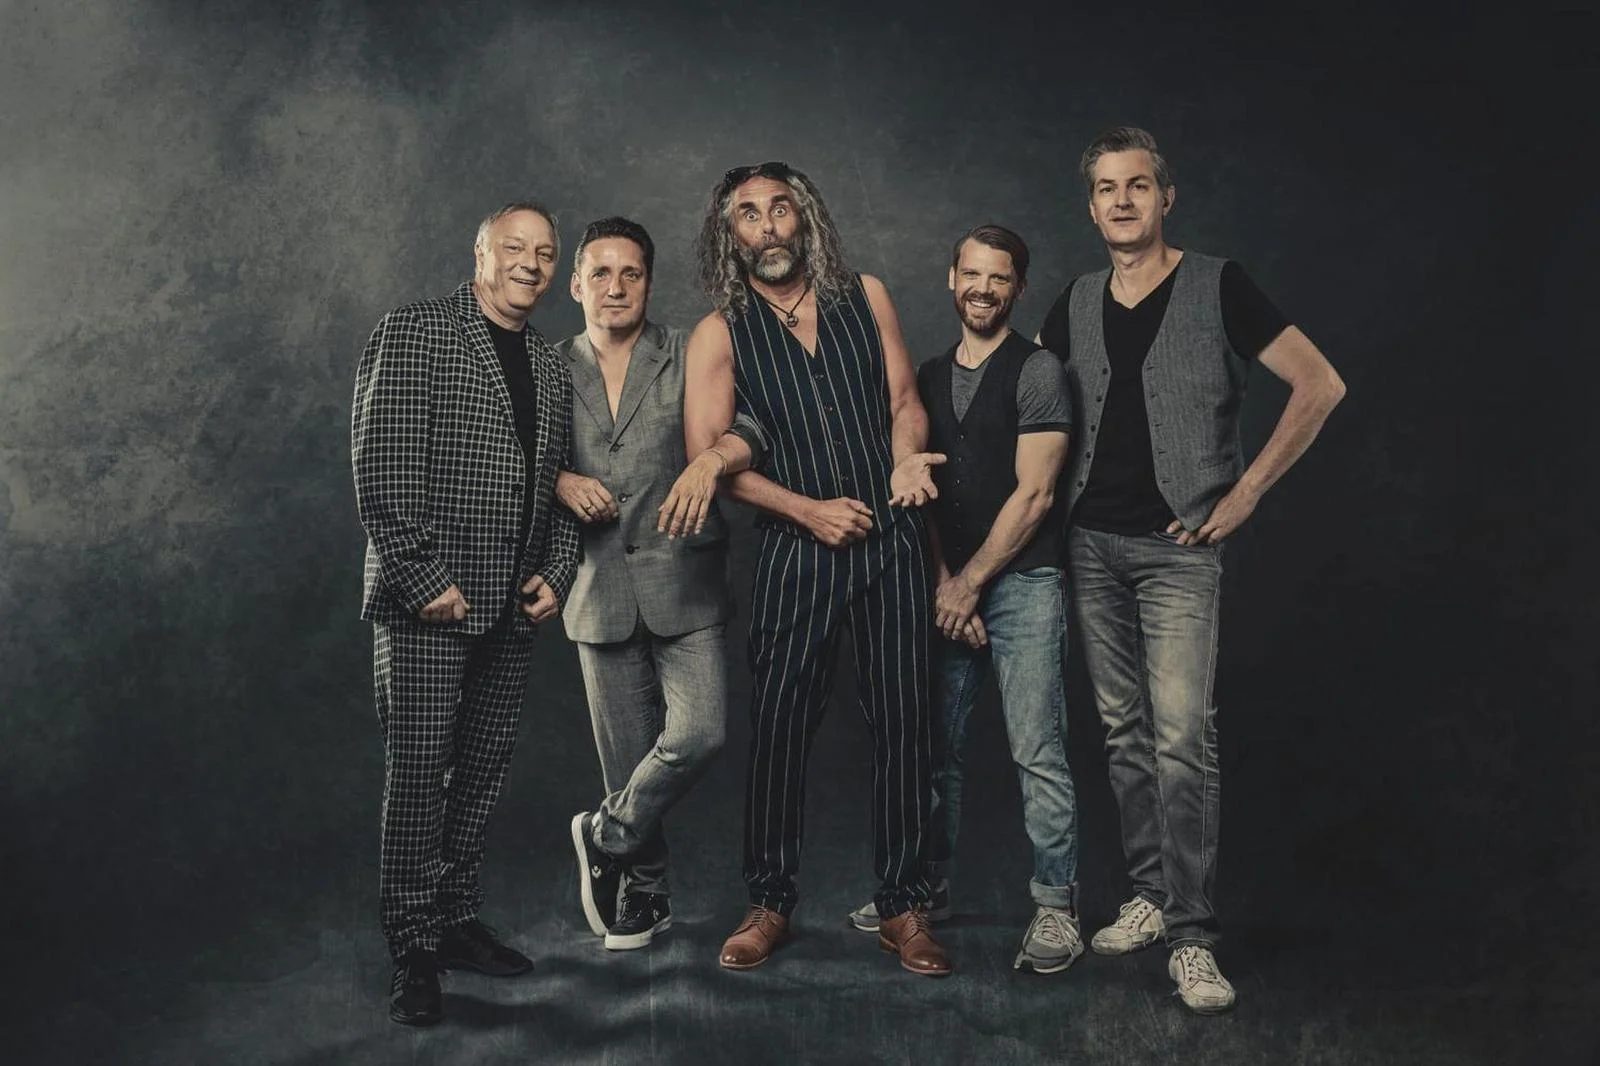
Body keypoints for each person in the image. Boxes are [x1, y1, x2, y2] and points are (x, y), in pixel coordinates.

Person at [1038, 127, 1346, 1013]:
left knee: (1181, 739)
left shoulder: (1219, 285)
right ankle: (1148, 896)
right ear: (1091, 205)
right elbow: (1028, 402)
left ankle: (1193, 937)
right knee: (1123, 735)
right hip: (1089, 546)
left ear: (1166, 198)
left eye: (1138, 185)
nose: (1122, 200)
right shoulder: (1075, 299)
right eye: (1107, 188)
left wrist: (1244, 494)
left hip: (1179, 553)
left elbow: (1320, 384)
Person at [681, 161, 952, 976]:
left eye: (780, 209)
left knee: (905, 723)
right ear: (729, 234)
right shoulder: (719, 333)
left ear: (805, 218)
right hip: (797, 553)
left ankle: (903, 907)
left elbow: (904, 400)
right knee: (781, 728)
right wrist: (808, 511)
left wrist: (906, 461)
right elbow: (709, 459)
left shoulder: (864, 295)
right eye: (748, 214)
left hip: (892, 540)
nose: (767, 225)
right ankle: (769, 903)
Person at [350, 202, 578, 1026]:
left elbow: (557, 481)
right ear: (480, 254)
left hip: (511, 609)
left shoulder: (550, 363)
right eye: (513, 247)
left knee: (478, 776)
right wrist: (421, 579)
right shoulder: (414, 331)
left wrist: (557, 570)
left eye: (544, 253)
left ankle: (454, 921)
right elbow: (380, 465)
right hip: (429, 606)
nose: (530, 263)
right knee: (419, 780)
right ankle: (413, 948)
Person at [847, 225, 1083, 976]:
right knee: (933, 751)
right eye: (972, 274)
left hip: (1023, 583)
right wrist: (947, 582)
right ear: (952, 278)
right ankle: (924, 892)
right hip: (950, 585)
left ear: (1019, 288)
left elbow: (1036, 494)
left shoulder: (1039, 371)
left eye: (999, 278)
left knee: (1037, 749)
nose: (983, 289)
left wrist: (970, 583)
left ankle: (1057, 906)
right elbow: (920, 495)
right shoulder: (926, 375)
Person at [554, 216, 758, 951]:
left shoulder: (687, 352)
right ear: (576, 284)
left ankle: (604, 835)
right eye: (600, 273)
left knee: (700, 733)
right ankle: (646, 894)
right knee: (626, 757)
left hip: (686, 576)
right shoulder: (548, 368)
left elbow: (754, 425)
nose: (615, 287)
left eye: (630, 273)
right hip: (596, 586)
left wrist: (713, 460)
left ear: (648, 282)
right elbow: (516, 456)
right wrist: (560, 479)